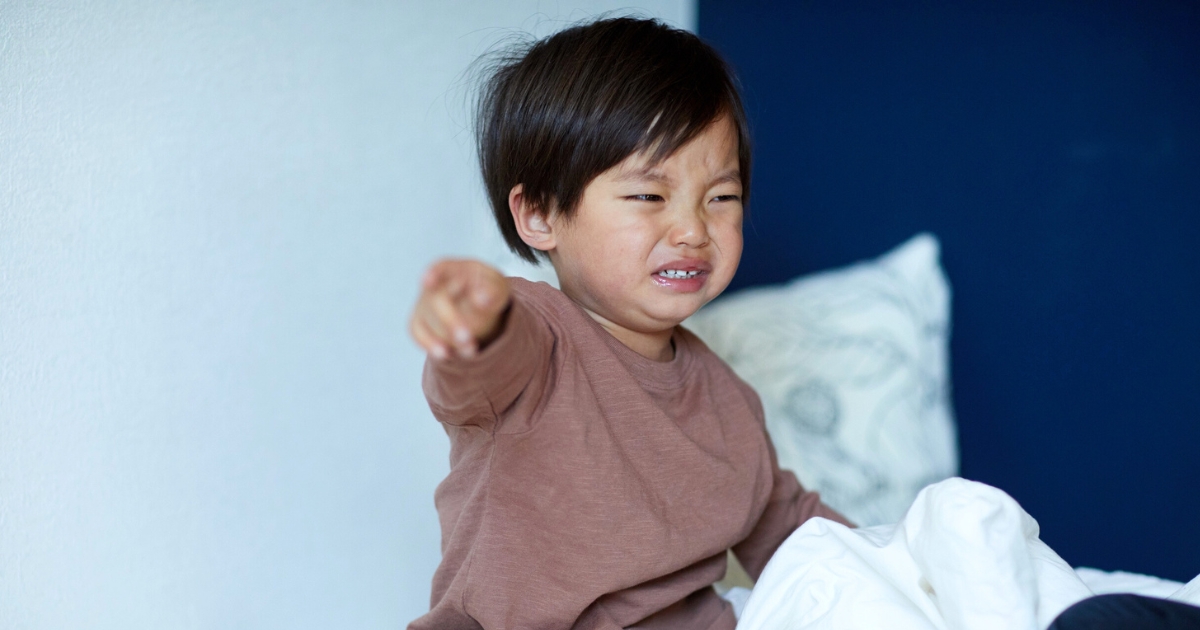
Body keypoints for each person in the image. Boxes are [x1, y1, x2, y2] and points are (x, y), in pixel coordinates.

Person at [406, 16, 851, 630]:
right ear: (538, 213)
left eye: (721, 197)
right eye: (648, 196)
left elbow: (787, 527)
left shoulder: (726, 399)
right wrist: (474, 325)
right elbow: (483, 364)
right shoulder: (537, 338)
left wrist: (905, 569)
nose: (693, 229)